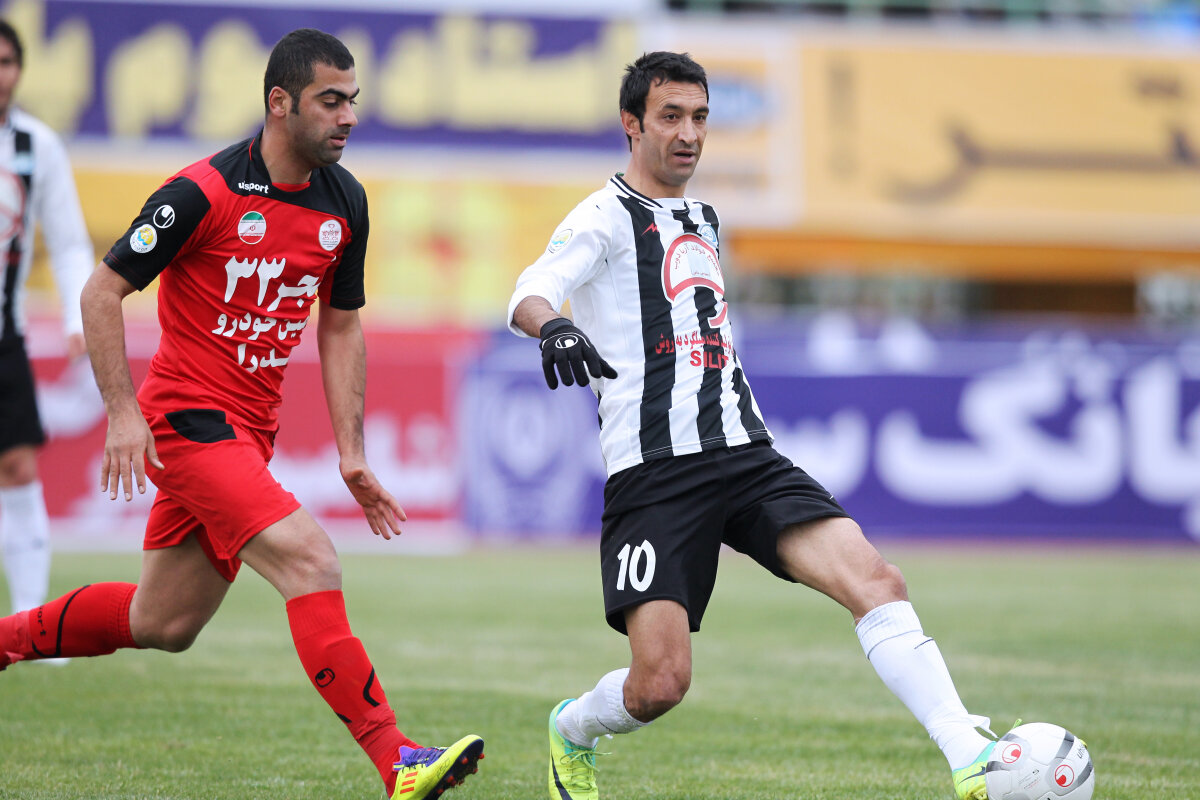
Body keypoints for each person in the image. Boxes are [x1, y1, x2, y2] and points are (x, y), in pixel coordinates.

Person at [0, 28, 483, 800]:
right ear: (279, 103)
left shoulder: (344, 201)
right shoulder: (202, 192)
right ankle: (397, 758)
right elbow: (100, 292)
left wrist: (352, 453)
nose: (348, 116)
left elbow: (340, 325)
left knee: (164, 623)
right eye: (331, 101)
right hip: (188, 422)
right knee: (311, 560)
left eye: (353, 100)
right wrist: (122, 414)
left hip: (248, 436)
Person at [508, 51, 996, 800]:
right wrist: (555, 327)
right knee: (660, 684)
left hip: (746, 454)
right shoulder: (602, 216)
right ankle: (573, 729)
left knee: (877, 580)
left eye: (700, 117)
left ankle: (970, 758)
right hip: (656, 472)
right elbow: (530, 290)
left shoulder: (704, 219)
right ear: (631, 124)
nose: (689, 134)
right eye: (671, 117)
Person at [0, 19, 93, 622]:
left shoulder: (37, 146)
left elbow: (67, 241)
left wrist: (78, 316)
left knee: (17, 466)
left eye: (7, 62)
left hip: (4, 335)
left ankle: (30, 621)